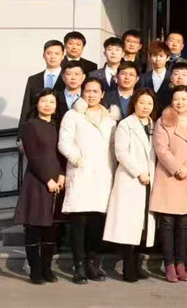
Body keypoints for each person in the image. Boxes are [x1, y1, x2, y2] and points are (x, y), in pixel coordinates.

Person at [58, 76, 118, 284]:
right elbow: (64, 143)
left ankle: (92, 263)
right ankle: (79, 266)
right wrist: (78, 160)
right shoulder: (73, 115)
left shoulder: (110, 119)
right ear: (82, 93)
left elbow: (113, 149)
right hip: (81, 174)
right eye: (87, 91)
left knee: (96, 224)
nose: (91, 95)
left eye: (95, 91)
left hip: (103, 177)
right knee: (79, 223)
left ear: (102, 94)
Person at [103, 88, 157, 282]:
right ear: (134, 103)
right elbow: (121, 153)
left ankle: (136, 265)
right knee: (128, 227)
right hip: (131, 180)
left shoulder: (154, 125)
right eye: (142, 102)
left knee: (142, 228)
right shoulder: (126, 124)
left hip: (149, 181)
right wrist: (139, 172)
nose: (145, 107)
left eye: (149, 103)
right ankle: (128, 268)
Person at [150, 85, 187, 283]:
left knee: (183, 224)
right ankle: (169, 264)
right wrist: (177, 168)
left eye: (183, 99)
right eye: (176, 99)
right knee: (167, 223)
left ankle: (181, 263)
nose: (180, 103)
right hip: (168, 176)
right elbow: (161, 149)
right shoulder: (163, 121)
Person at [14, 88, 65, 285]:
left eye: (52, 102)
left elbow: (61, 154)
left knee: (51, 230)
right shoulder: (30, 126)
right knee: (34, 228)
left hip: (57, 182)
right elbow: (33, 156)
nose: (48, 105)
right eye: (44, 101)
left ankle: (47, 268)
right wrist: (47, 179)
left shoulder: (57, 125)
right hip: (37, 182)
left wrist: (61, 175)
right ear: (37, 103)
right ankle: (35, 270)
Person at [19, 40, 66, 139]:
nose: (53, 57)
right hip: (36, 130)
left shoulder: (68, 79)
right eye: (49, 53)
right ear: (43, 55)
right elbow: (26, 106)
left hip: (62, 129)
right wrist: (21, 134)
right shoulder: (33, 79)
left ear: (62, 56)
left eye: (57, 53)